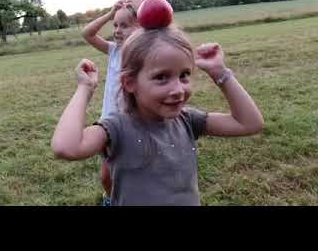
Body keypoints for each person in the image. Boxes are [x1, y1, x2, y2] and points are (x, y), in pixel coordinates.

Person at [52, 24, 264, 205]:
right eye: (162, 77)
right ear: (130, 83)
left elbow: (249, 123)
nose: (178, 89)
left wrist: (220, 73)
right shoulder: (116, 127)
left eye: (184, 75)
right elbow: (65, 147)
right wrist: (85, 88)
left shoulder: (188, 120)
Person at [81, 0, 143, 205]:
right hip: (108, 123)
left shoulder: (144, 53)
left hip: (133, 125)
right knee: (106, 177)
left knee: (130, 173)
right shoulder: (114, 50)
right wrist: (109, 13)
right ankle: (112, 199)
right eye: (115, 25)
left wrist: (141, 8)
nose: (117, 30)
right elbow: (87, 34)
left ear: (140, 26)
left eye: (124, 25)